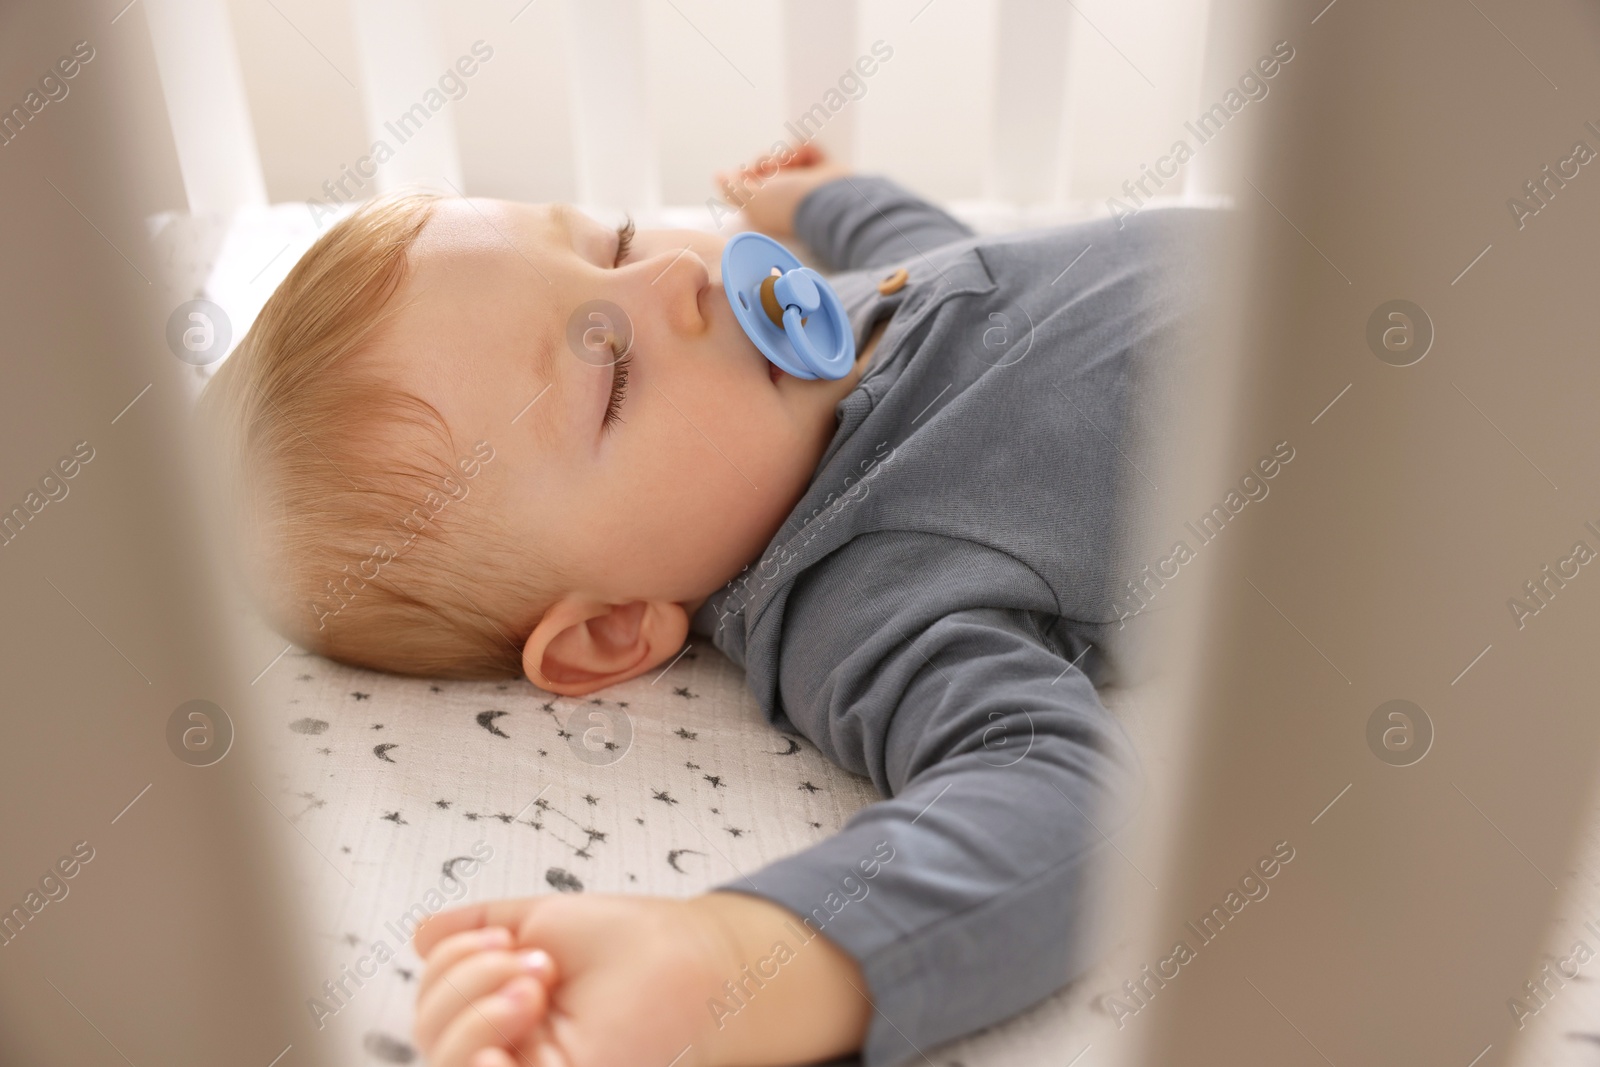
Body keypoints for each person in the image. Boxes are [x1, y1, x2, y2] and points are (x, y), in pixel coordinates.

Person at [199, 142, 1219, 1067]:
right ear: (611, 627)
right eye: (614, 377)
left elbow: (953, 271)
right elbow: (1061, 808)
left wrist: (831, 199)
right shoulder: (874, 591)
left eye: (615, 241)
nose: (678, 276)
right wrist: (729, 960)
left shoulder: (821, 318)